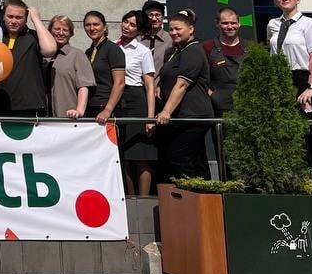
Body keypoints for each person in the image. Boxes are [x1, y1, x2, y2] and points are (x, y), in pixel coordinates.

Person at [266, 0, 312, 181]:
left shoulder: (309, 24)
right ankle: (293, 174)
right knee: (286, 130)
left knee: (309, 129)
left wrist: (311, 87)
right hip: (282, 79)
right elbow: (272, 51)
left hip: (304, 79)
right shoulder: (273, 24)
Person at [155, 12, 215, 182]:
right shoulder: (177, 51)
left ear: (191, 29)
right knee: (197, 160)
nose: (174, 32)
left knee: (180, 157)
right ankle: (203, 193)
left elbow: (182, 85)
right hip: (183, 116)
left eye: (178, 29)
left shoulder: (193, 51)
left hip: (193, 115)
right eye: (171, 29)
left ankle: (189, 193)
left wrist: (166, 111)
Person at [0, 0, 56, 118]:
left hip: (30, 106)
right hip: (0, 105)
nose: (14, 21)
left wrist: (36, 19)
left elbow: (50, 49)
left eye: (19, 17)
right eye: (10, 16)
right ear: (3, 17)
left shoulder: (33, 36)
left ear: (26, 19)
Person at [117, 10, 158, 197]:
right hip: (117, 100)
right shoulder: (112, 46)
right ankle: (129, 197)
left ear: (139, 30)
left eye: (132, 25)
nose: (127, 26)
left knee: (141, 154)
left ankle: (143, 199)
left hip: (136, 99)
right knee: (122, 156)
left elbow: (149, 85)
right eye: (125, 22)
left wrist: (150, 117)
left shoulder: (143, 51)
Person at [46, 15, 93, 120]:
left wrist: (79, 111)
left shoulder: (77, 55)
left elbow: (84, 86)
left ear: (71, 33)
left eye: (65, 30)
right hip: (45, 118)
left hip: (69, 116)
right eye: (57, 29)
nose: (61, 33)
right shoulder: (44, 55)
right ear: (50, 31)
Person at [83, 10, 126, 126]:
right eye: (88, 25)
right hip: (92, 105)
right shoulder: (88, 52)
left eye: (96, 24)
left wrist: (107, 110)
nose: (92, 28)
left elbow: (120, 83)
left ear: (105, 27)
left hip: (107, 108)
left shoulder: (113, 49)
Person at [204, 7, 250, 115]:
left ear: (239, 24)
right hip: (218, 108)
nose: (230, 27)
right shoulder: (207, 47)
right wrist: (213, 95)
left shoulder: (251, 47)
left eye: (233, 23)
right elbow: (200, 77)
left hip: (247, 105)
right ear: (217, 23)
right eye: (225, 23)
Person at [140, 0, 170, 72]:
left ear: (163, 17)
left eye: (157, 15)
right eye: (150, 15)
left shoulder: (170, 39)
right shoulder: (137, 39)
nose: (154, 19)